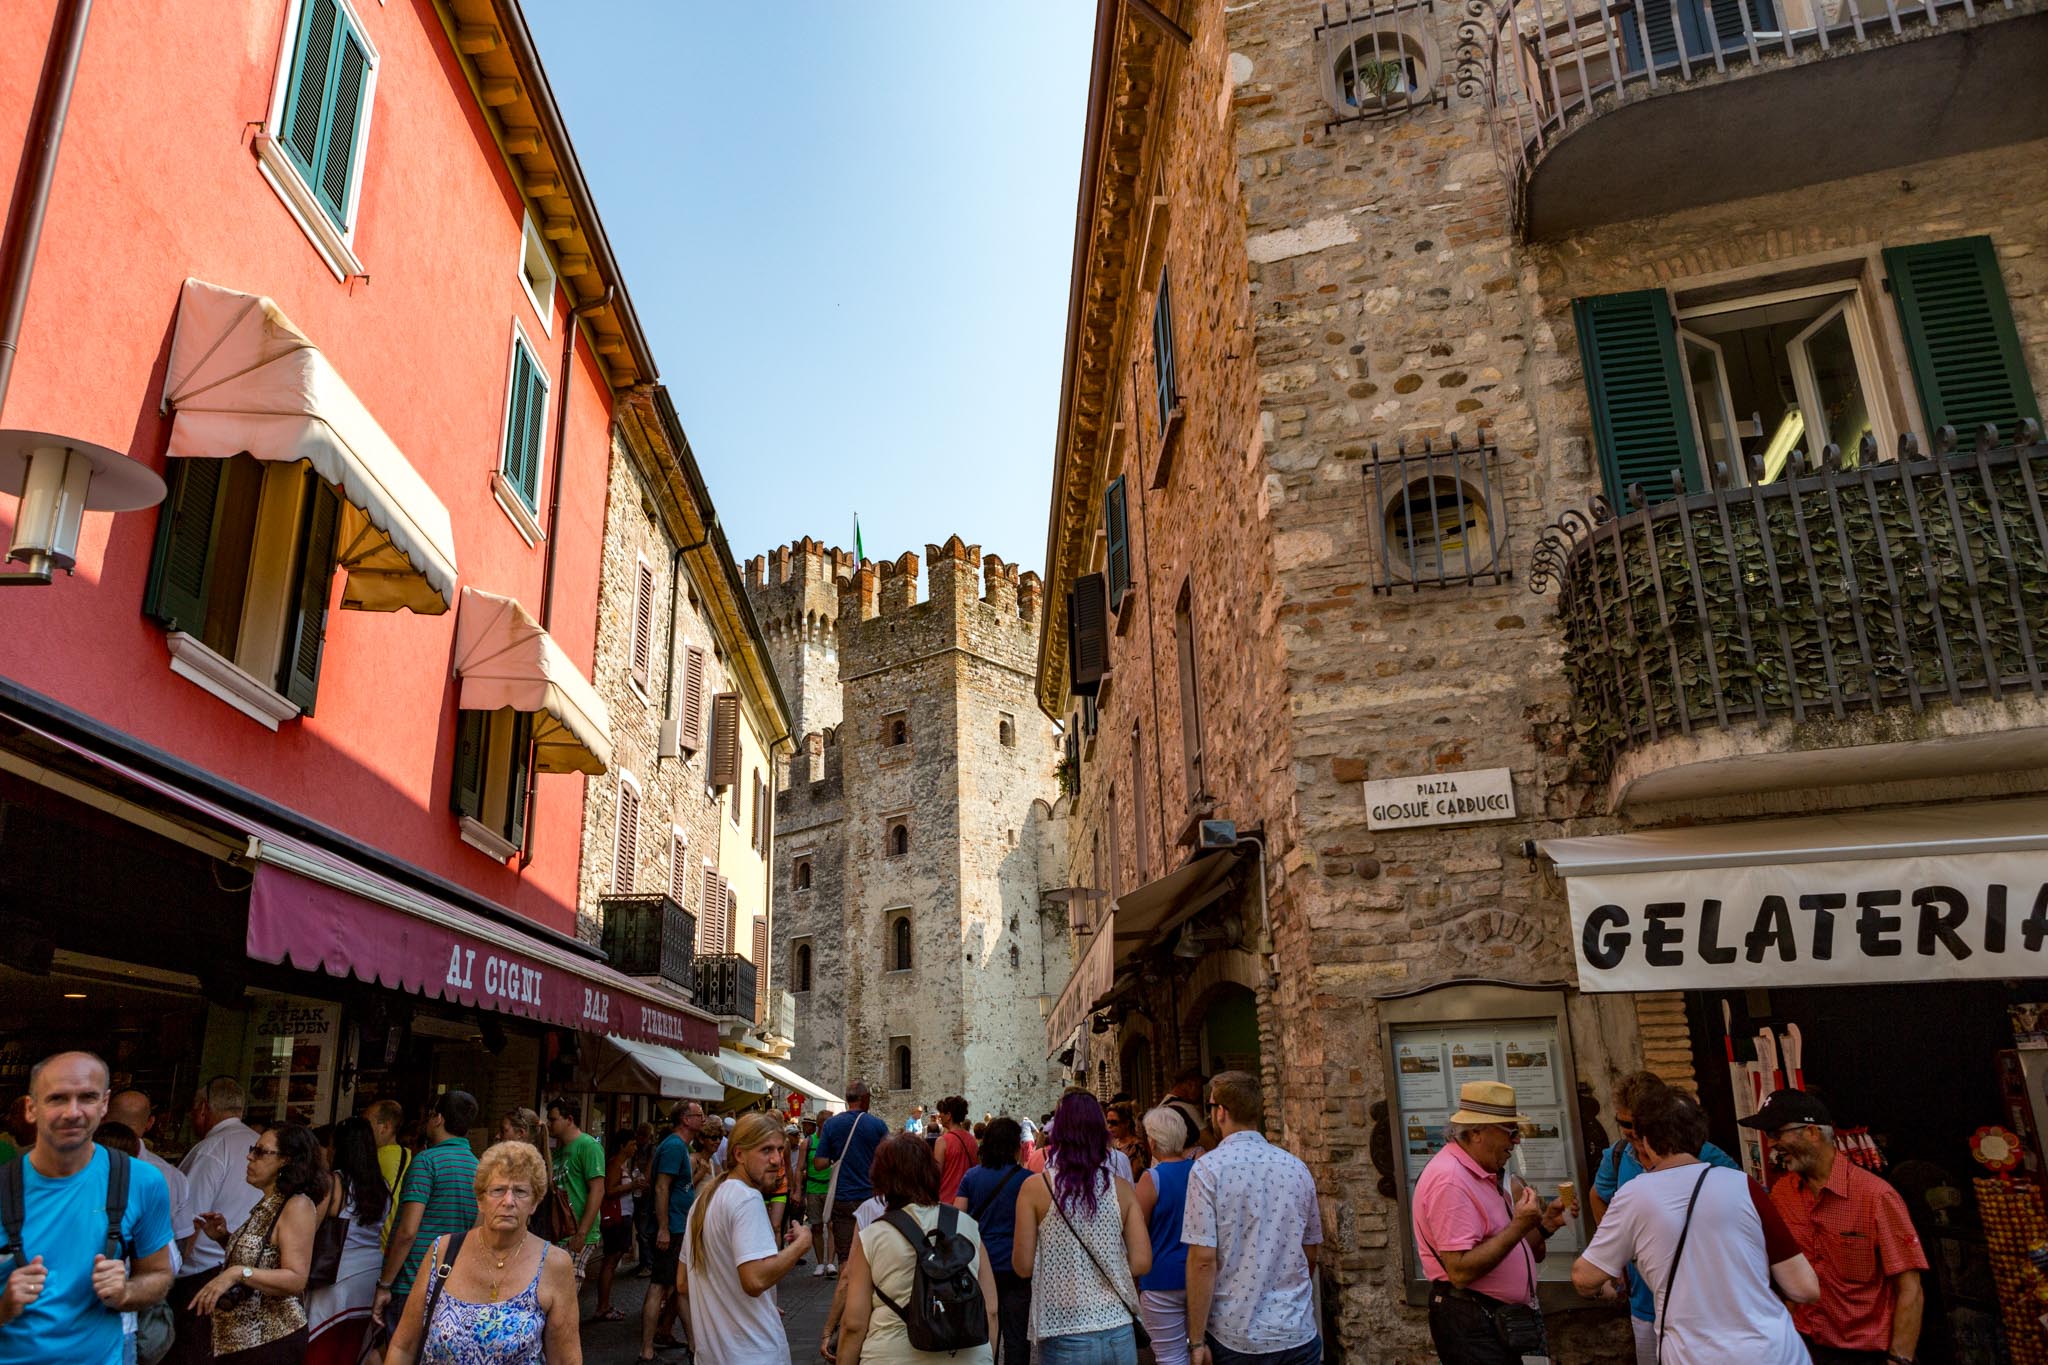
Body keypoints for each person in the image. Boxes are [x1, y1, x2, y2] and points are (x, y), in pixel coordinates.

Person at [1575, 1086, 1818, 1363]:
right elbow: (1805, 1288)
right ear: (1699, 1137)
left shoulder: (1634, 1195)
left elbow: (1585, 1279)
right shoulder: (1743, 1185)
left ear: (1647, 1141)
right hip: (1775, 1352)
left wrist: (1613, 1281)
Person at [0, 1051, 174, 1365]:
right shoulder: (4, 1187)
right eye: (57, 1098)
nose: (73, 1112)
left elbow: (159, 1274)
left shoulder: (142, 1182)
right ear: (30, 1108)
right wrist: (4, 1305)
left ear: (105, 1104)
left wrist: (127, 1292)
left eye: (88, 1097)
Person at [1741, 1089, 1928, 1365]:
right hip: (1801, 1345)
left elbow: (1910, 1287)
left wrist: (1899, 1359)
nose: (1771, 1144)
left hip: (1864, 1353)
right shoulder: (1783, 1193)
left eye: (1777, 1133)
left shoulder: (1875, 1196)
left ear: (1813, 1132)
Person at [1410, 1080, 1572, 1365]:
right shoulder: (1451, 1180)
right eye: (1511, 1132)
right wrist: (1518, 1227)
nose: (1517, 1141)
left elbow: (1502, 1247)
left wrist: (1545, 1225)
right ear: (1476, 1133)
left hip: (1498, 1320)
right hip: (1473, 1322)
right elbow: (1459, 1271)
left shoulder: (1479, 1172)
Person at [380, 1140, 581, 1365]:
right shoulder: (443, 1252)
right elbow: (402, 1347)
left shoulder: (554, 1264)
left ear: (534, 1203)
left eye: (521, 1191)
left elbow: (566, 1360)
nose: (508, 1201)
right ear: (480, 1200)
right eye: (498, 1190)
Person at [1588, 1072, 1742, 1364]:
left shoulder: (1705, 1154)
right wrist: (1615, 1255)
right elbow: (1598, 1196)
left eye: (1637, 1125)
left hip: (1701, 1305)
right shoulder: (1617, 1156)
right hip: (1645, 1302)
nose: (1631, 1133)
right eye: (1624, 1124)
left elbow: (1746, 1200)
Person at [1181, 1072, 1320, 1365]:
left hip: (1237, 1334)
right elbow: (1309, 1252)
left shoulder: (1208, 1170)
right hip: (1297, 1331)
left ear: (1221, 1112)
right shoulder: (1296, 1168)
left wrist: (1196, 1340)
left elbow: (1203, 1260)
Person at [1012, 1089, 1151, 1364]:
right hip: (1117, 1326)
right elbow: (1142, 1262)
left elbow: (1023, 1266)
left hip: (1063, 1326)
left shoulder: (1035, 1189)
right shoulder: (1121, 1190)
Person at [836, 1133, 1000, 1365]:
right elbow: (990, 1310)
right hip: (968, 1355)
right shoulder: (967, 1226)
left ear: (881, 1180)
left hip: (891, 1355)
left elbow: (853, 1324)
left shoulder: (873, 1236)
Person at [190, 1121, 324, 1364]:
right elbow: (264, 1257)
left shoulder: (297, 1205)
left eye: (261, 1152)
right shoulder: (268, 1203)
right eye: (253, 1149)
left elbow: (296, 1278)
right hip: (237, 1341)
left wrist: (237, 1273)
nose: (250, 1157)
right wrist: (223, 1237)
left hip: (269, 1341)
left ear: (286, 1159)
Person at [686, 1113, 812, 1365]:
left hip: (716, 1354)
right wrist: (800, 1245)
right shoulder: (746, 1198)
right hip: (753, 1352)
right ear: (739, 1154)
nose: (777, 1160)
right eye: (766, 1150)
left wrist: (745, 1307)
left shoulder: (704, 1200)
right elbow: (754, 1280)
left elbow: (683, 1282)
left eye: (779, 1149)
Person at [371, 1091, 481, 1335]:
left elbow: (408, 1231)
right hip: (452, 1284)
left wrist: (385, 1284)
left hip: (412, 1282)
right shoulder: (478, 1166)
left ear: (438, 1119)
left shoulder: (426, 1161)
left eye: (430, 1115)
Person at [172, 1076, 261, 1362]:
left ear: (202, 1108)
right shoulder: (261, 1145)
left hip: (204, 1275)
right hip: (250, 1272)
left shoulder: (211, 1148)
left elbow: (189, 1220)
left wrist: (169, 1274)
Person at [306, 1116, 388, 1364]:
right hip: (371, 1276)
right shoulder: (382, 1186)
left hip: (335, 1278)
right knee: (353, 1351)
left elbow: (310, 1228)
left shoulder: (335, 1183)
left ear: (341, 1147)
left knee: (321, 1350)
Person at [955, 1118, 1030, 1365]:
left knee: (984, 1332)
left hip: (980, 1264)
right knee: (1017, 1335)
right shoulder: (1027, 1180)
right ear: (1014, 1146)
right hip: (1016, 1265)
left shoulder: (971, 1177)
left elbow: (958, 1218)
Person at [640, 1102, 703, 1364]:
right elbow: (661, 1187)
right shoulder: (675, 1146)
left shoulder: (678, 1146)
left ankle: (694, 1345)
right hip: (672, 1228)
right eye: (698, 1115)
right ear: (685, 1119)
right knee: (659, 1287)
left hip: (679, 1226)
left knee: (680, 1288)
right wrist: (664, 1228)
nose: (702, 1119)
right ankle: (646, 1350)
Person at [1133, 1106, 1196, 1365]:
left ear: (1153, 1140)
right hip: (1200, 1274)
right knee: (1201, 1350)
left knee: (1170, 1357)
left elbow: (1138, 1232)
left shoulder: (1152, 1179)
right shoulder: (1202, 1171)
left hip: (1160, 1279)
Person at [109, 1090, 195, 1270]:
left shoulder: (72, 1166)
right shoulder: (171, 1176)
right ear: (149, 1123)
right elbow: (182, 1243)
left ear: (103, 1116)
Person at [816, 1082, 891, 1277]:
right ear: (865, 1099)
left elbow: (819, 1163)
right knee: (874, 1253)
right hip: (871, 1197)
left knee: (846, 1256)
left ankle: (847, 1294)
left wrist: (837, 1155)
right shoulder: (877, 1125)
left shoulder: (831, 1124)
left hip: (843, 1197)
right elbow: (889, 1159)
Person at [544, 1099, 605, 1281]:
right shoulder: (558, 1150)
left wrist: (582, 1234)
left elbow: (598, 1190)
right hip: (559, 1232)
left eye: (553, 1119)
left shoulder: (588, 1146)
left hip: (577, 1234)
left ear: (569, 1119)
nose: (549, 1124)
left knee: (565, 1290)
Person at [591, 1129, 639, 1323]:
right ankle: (602, 1306)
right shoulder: (614, 1165)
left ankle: (605, 1305)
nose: (635, 1148)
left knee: (613, 1258)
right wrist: (632, 1185)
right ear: (622, 1146)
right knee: (610, 1261)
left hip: (624, 1216)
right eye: (632, 1144)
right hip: (616, 1218)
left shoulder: (623, 1165)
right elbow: (609, 1190)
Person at [363, 1101, 408, 1251]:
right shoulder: (409, 1155)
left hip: (376, 1244)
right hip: (396, 1244)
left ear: (386, 1127)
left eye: (368, 1124)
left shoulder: (374, 1160)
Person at [935, 1097, 980, 1204]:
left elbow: (936, 1176)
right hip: (968, 1202)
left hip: (947, 1202)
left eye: (941, 1112)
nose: (939, 1115)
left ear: (949, 1115)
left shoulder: (942, 1141)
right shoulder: (972, 1140)